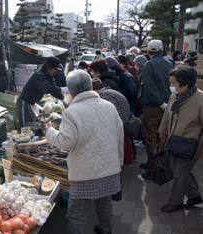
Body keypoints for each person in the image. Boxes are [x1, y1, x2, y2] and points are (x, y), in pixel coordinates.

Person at [45, 70, 123, 234]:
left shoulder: (72, 112)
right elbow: (119, 136)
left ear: (71, 90)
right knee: (104, 203)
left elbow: (66, 143)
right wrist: (119, 162)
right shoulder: (109, 106)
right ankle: (105, 229)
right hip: (109, 169)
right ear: (89, 85)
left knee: (77, 213)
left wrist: (50, 132)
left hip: (85, 173)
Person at [158, 67, 203, 213]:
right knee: (177, 170)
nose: (172, 87)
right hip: (173, 141)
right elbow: (167, 116)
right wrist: (162, 134)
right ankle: (194, 195)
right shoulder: (174, 96)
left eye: (174, 84)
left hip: (190, 145)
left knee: (179, 174)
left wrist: (199, 151)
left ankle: (175, 202)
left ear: (186, 84)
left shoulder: (200, 100)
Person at [140, 39, 174, 173]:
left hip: (154, 106)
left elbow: (149, 87)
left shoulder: (149, 64)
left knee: (150, 135)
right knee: (163, 135)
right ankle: (161, 163)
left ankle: (152, 165)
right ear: (161, 50)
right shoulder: (169, 63)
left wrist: (160, 103)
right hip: (167, 104)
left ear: (149, 51)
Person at [17, 56, 66, 128]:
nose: (56, 72)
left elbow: (54, 91)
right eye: (55, 69)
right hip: (25, 102)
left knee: (34, 126)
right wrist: (63, 89)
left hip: (33, 103)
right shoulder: (39, 75)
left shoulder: (50, 77)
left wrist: (66, 99)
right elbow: (47, 88)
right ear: (49, 67)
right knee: (25, 127)